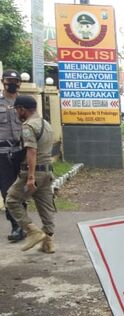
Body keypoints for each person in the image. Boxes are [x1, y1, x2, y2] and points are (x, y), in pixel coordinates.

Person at [5, 95, 56, 253]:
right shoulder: (46, 124)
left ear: (22, 109)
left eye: (17, 110)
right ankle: (48, 243)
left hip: (33, 172)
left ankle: (32, 231)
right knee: (46, 207)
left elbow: (32, 151)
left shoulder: (28, 126)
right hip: (47, 172)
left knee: (12, 200)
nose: (16, 113)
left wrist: (31, 177)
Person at [0, 69, 25, 242]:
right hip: (2, 154)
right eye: (8, 80)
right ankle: (16, 225)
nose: (12, 83)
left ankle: (23, 225)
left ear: (19, 84)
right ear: (3, 81)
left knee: (22, 189)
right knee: (8, 191)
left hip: (21, 152)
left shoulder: (24, 103)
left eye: (15, 81)